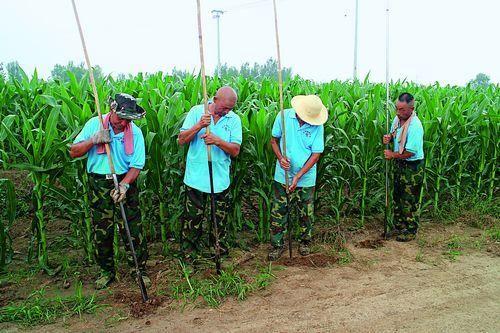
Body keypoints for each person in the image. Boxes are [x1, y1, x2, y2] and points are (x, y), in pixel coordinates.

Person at [69, 93, 150, 289]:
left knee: (132, 228)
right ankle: (106, 271)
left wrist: (125, 185)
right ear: (112, 111)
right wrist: (94, 140)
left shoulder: (135, 133)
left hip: (124, 179)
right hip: (99, 184)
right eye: (121, 118)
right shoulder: (94, 125)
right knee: (102, 230)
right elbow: (73, 151)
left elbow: (137, 165)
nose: (123, 123)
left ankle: (138, 270)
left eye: (128, 119)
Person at [178, 86, 242, 258]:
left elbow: (235, 151)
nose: (227, 111)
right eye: (224, 107)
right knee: (192, 220)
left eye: (230, 108)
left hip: (220, 180)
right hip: (196, 179)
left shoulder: (234, 120)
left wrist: (218, 141)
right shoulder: (197, 112)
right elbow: (182, 140)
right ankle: (189, 256)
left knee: (218, 222)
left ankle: (218, 252)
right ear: (215, 100)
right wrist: (199, 125)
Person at [268, 95, 328, 261]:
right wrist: (280, 158)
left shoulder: (318, 126)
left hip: (306, 177)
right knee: (279, 210)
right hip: (283, 174)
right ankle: (277, 245)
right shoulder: (284, 116)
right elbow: (273, 140)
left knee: (306, 212)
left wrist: (298, 176)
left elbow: (316, 154)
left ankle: (305, 242)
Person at [383, 92, 425, 242]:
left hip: (412, 167)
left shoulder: (415, 126)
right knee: (398, 195)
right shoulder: (398, 119)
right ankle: (399, 226)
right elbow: (396, 134)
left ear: (411, 108)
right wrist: (390, 137)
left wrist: (392, 155)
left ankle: (410, 230)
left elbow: (409, 152)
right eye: (397, 108)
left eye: (402, 110)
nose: (398, 112)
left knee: (409, 199)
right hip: (400, 164)